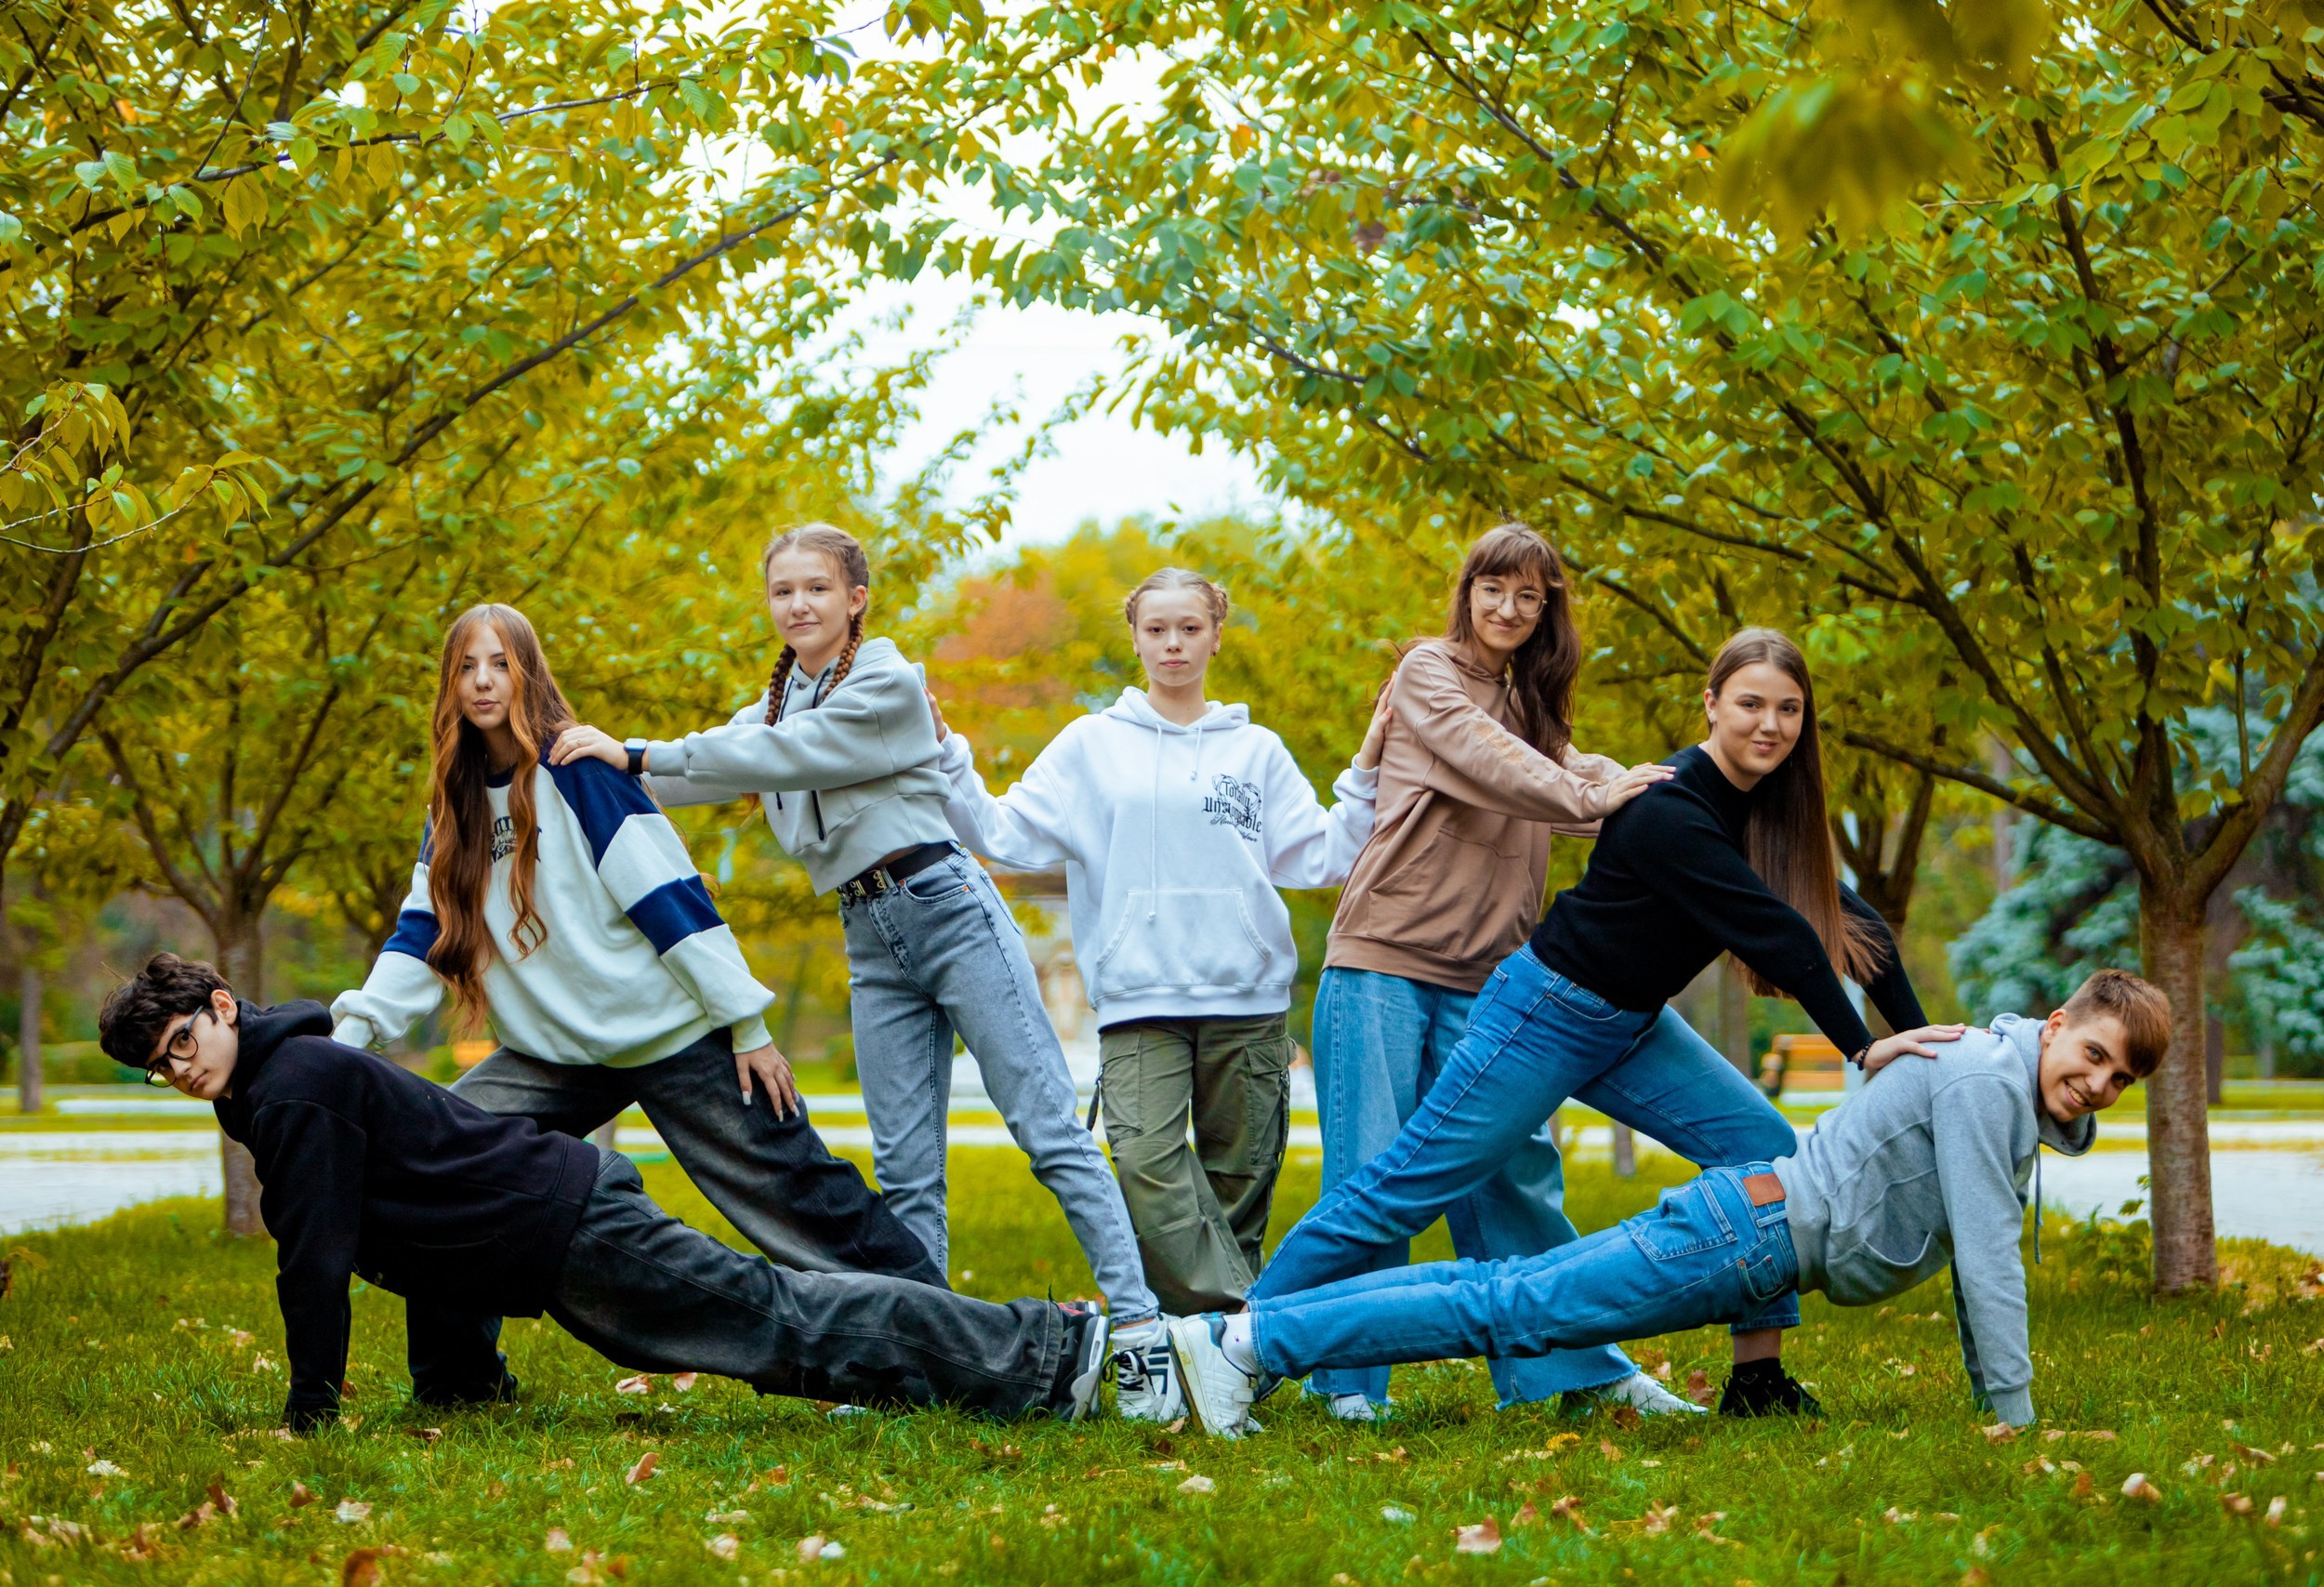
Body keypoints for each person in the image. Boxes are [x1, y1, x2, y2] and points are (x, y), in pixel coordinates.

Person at [1249, 628, 1957, 1417]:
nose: (1770, 724)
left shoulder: (1762, 815)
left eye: (1788, 709)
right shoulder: (1670, 809)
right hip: (1544, 1015)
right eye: (1751, 703)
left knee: (1762, 1149)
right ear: (1711, 704)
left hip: (1632, 1026)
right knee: (1403, 1190)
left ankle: (1757, 1380)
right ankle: (1229, 1341)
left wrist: (1921, 1044)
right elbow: (1780, 937)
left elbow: (1848, 922)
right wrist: (1863, 1045)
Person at [550, 524, 1172, 1417]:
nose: (797, 604)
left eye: (816, 587)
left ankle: (1144, 1334)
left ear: (856, 598)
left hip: (946, 906)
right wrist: (573, 763)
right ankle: (928, 1359)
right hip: (869, 933)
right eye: (782, 590)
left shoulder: (886, 680)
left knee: (1048, 1131)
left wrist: (640, 751)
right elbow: (701, 768)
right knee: (906, 1166)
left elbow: (781, 755)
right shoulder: (778, 703)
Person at [331, 605, 936, 1405]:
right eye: (467, 666)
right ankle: (459, 1382)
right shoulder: (454, 804)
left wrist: (746, 1026)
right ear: (449, 684)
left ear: (527, 673)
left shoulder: (579, 768)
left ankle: (947, 1342)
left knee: (801, 1199)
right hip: (554, 1055)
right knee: (444, 1165)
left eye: (500, 663)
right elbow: (423, 930)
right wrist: (352, 1032)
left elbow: (670, 899)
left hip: (672, 1033)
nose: (483, 681)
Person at [99, 956, 1110, 1431]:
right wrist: (459, 1387)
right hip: (547, 1230)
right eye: (160, 1066)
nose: (181, 1069)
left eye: (184, 1041)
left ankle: (1042, 1352)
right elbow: (409, 1219)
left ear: (221, 1007)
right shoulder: (281, 1083)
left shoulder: (293, 1088)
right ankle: (1008, 1358)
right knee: (775, 1326)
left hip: (572, 1229)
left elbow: (316, 1261)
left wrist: (310, 1409)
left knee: (779, 1321)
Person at [1170, 971, 2169, 1436]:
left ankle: (1243, 1339)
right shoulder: (1985, 1083)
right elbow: (1989, 1262)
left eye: (2119, 1079)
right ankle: (1246, 1343)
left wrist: (1999, 1408)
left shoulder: (1994, 1079)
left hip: (1752, 1236)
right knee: (1506, 1304)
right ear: (2055, 1025)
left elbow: (1975, 1255)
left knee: (1504, 1295)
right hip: (1741, 1239)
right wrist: (2013, 1422)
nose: (2098, 1084)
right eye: (2093, 1054)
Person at [929, 567, 1387, 1328]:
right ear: (1136, 638)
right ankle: (1248, 1328)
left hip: (1248, 997)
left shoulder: (1257, 750)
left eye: (1190, 628)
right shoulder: (1091, 745)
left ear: (1216, 635)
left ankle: (1204, 1358)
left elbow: (1324, 856)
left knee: (1238, 1185)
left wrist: (1365, 770)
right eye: (1157, 629)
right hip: (1138, 996)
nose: (1174, 643)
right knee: (1145, 1163)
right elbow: (1001, 832)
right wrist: (947, 753)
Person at [1305, 522, 1679, 1420]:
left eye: (1529, 596)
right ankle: (1346, 1386)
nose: (1508, 608)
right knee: (1371, 1174)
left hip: (1490, 976)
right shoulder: (1426, 673)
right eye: (1493, 589)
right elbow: (1495, 763)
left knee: (1514, 1171)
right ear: (1467, 591)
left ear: (1547, 610)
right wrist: (1592, 789)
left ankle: (1575, 1372)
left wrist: (1665, 787)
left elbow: (1570, 775)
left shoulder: (1530, 705)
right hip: (1384, 958)